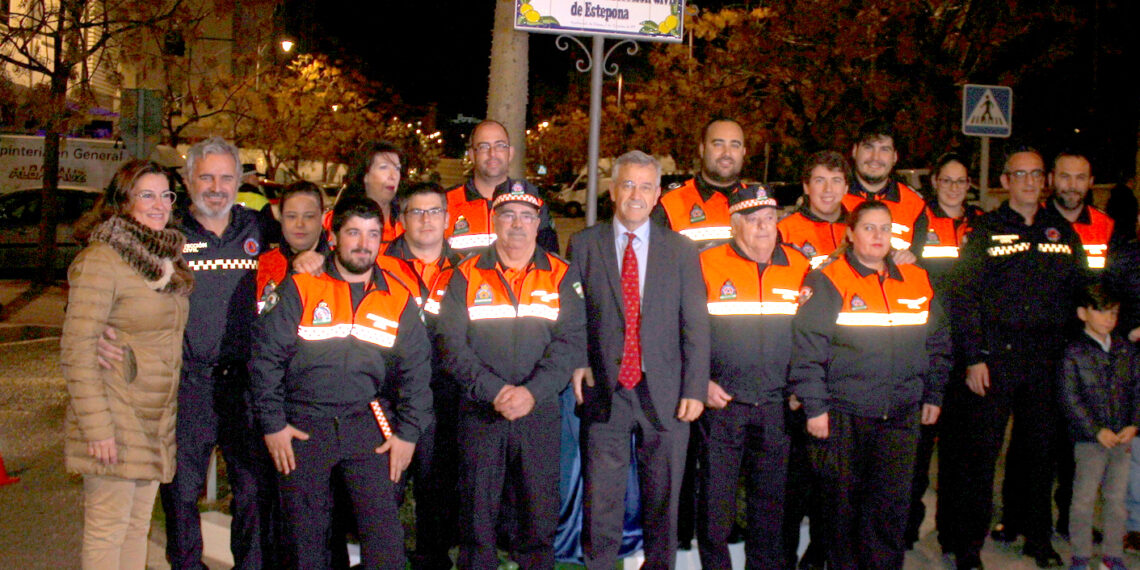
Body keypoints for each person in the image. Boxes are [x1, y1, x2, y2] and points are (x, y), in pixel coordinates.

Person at [95, 137, 280, 569]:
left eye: (226, 177)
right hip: (187, 385)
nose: (217, 187)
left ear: (239, 181)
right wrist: (103, 325)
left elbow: (304, 256)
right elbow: (114, 277)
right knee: (180, 493)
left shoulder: (260, 226)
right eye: (207, 177)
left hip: (247, 386)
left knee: (253, 492)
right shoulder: (165, 231)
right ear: (187, 179)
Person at [250, 196, 432, 569]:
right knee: (305, 541)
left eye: (372, 235)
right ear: (332, 238)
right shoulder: (301, 287)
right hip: (302, 427)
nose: (363, 244)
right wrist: (273, 425)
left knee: (384, 540)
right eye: (353, 233)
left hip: (368, 425)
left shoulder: (397, 298)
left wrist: (408, 434)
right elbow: (265, 360)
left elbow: (417, 373)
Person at [937, 146, 1087, 569]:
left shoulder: (1061, 232)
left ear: (1045, 181)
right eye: (1020, 174)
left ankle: (1038, 539)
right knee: (979, 457)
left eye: (1036, 174)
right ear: (1004, 182)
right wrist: (973, 356)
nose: (1029, 182)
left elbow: (1082, 291)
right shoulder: (986, 231)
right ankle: (968, 547)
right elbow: (963, 297)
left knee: (1039, 455)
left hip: (1047, 360)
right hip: (994, 359)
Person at [789, 200, 951, 570]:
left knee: (890, 508)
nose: (878, 236)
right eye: (868, 228)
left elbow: (939, 343)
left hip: (901, 416)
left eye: (885, 228)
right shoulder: (828, 279)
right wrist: (815, 407)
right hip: (846, 414)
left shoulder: (916, 278)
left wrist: (934, 393)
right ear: (850, 233)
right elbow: (808, 348)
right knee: (841, 510)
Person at [569, 150, 710, 570]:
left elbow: (696, 324)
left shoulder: (682, 250)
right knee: (602, 499)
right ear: (613, 190)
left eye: (646, 186)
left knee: (664, 500)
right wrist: (578, 359)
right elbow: (572, 313)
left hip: (665, 392)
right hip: (605, 390)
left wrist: (694, 388)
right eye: (627, 184)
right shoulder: (584, 243)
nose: (636, 194)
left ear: (657, 194)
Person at [435, 180, 586, 569]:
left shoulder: (561, 274)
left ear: (538, 223)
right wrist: (495, 391)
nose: (517, 224)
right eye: (507, 215)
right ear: (494, 220)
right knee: (477, 522)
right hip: (481, 412)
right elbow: (450, 345)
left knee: (538, 519)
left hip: (538, 413)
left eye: (526, 216)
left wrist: (531, 393)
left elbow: (570, 344)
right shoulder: (465, 274)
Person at [62, 160, 194, 569]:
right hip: (115, 412)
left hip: (153, 415)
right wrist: (97, 428)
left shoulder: (165, 260)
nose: (159, 205)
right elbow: (78, 349)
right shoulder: (103, 260)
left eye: (165, 195)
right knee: (108, 530)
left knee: (137, 528)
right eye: (147, 195)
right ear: (123, 203)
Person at [696, 184, 810, 569]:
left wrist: (802, 389)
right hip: (722, 404)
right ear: (734, 225)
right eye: (753, 220)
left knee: (770, 508)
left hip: (778, 408)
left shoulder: (799, 266)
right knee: (716, 506)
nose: (763, 227)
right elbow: (684, 331)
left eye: (770, 219)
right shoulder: (706, 263)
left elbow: (811, 336)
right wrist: (699, 384)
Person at [381, 181, 464, 570]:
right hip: (387, 399)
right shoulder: (379, 264)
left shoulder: (467, 269)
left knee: (437, 497)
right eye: (417, 212)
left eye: (434, 212)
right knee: (383, 496)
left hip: (444, 400)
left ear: (447, 219)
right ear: (402, 220)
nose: (426, 220)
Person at [904, 152, 983, 548]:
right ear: (935, 182)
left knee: (960, 453)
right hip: (927, 350)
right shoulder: (919, 220)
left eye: (961, 181)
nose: (954, 188)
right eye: (947, 180)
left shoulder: (981, 223)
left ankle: (954, 535)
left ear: (969, 185)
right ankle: (906, 530)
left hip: (966, 349)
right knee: (916, 453)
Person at [1058, 283, 1140, 570]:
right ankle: (1080, 556)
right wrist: (1095, 430)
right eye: (1102, 311)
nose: (1109, 318)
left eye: (1114, 313)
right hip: (1089, 441)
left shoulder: (1125, 350)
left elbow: (1136, 389)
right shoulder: (1073, 352)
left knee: (1116, 501)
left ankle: (1112, 555)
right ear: (1083, 313)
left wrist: (1134, 424)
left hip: (1121, 437)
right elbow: (1070, 397)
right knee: (1083, 499)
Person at [444, 120, 559, 253]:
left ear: (510, 153)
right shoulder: (445, 203)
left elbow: (551, 266)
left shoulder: (535, 204)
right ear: (472, 155)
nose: (492, 153)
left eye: (500, 145)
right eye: (484, 146)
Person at [651, 118, 747, 248]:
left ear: (743, 152)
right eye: (718, 144)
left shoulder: (759, 204)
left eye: (735, 145)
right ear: (702, 149)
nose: (727, 153)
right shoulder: (670, 203)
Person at [841, 120, 928, 258]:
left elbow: (919, 264)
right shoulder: (833, 197)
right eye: (868, 148)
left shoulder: (914, 204)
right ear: (854, 151)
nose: (875, 157)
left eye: (884, 149)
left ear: (895, 157)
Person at [256, 181, 329, 314]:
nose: (300, 224)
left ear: (323, 217)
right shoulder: (262, 265)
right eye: (291, 216)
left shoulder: (339, 267)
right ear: (280, 217)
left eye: (309, 216)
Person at [778, 150, 851, 268]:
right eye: (820, 181)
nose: (828, 189)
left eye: (836, 181)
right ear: (806, 187)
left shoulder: (858, 228)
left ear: (846, 188)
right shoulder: (784, 230)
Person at [329, 141, 405, 250]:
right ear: (365, 175)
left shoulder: (407, 221)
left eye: (397, 169)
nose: (393, 176)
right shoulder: (336, 219)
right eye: (384, 167)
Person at [1050, 151, 1113, 270]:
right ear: (1050, 179)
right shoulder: (1031, 221)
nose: (1072, 185)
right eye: (1065, 177)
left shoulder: (1106, 226)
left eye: (1080, 178)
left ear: (1090, 182)